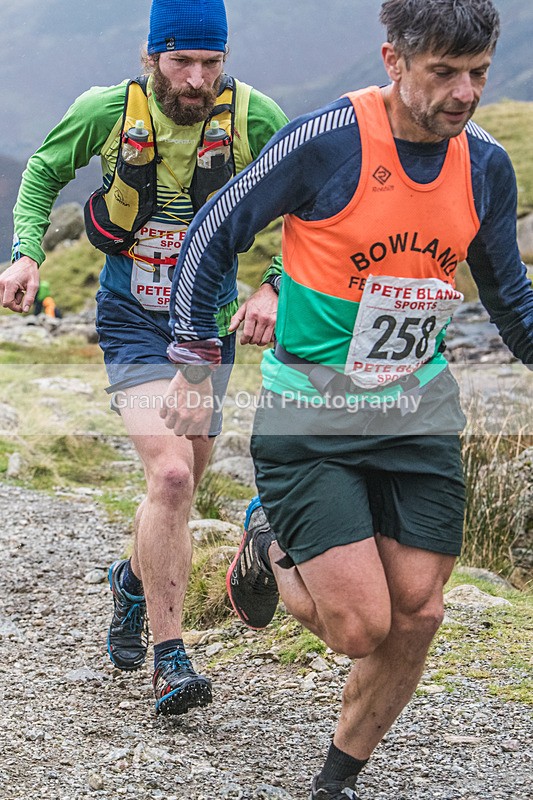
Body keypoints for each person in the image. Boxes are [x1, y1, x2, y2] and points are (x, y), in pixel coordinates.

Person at [162, 0, 533, 795]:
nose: (464, 93)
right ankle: (268, 541)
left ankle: (336, 782)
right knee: (360, 626)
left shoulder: (485, 165)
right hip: (311, 410)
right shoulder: (329, 140)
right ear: (393, 61)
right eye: (443, 72)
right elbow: (213, 230)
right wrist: (195, 362)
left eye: (477, 73)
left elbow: (510, 297)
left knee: (419, 610)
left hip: (417, 407)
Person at [1, 0, 287, 716]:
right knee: (170, 475)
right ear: (152, 55)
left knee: (182, 485)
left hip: (209, 326)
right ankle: (171, 658)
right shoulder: (105, 110)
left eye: (210, 64)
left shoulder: (255, 119)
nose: (195, 79)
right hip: (131, 318)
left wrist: (275, 283)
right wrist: (28, 252)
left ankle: (131, 582)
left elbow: (316, 206)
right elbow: (42, 171)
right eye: (181, 62)